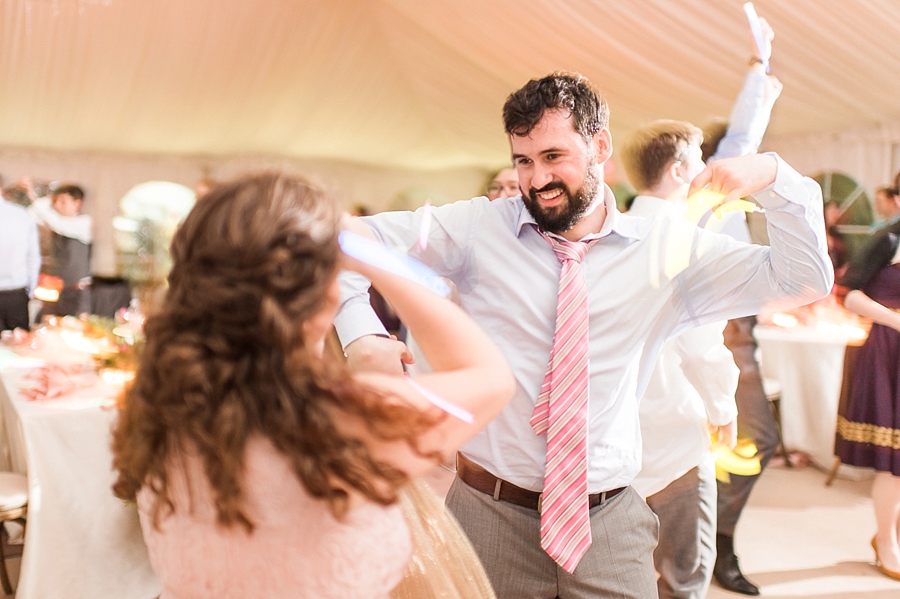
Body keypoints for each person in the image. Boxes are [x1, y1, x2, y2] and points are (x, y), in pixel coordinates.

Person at [335, 71, 833, 598]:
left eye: (553, 157)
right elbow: (341, 236)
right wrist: (360, 333)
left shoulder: (667, 250)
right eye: (523, 161)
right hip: (487, 516)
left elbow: (803, 279)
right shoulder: (478, 228)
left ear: (600, 145)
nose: (536, 179)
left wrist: (776, 176)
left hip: (609, 523)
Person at [110, 173, 514, 599]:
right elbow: (490, 378)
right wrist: (374, 256)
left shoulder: (159, 405)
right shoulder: (340, 423)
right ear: (324, 298)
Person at [622, 120, 739, 599]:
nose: (705, 171)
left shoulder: (599, 238)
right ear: (676, 171)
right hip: (674, 438)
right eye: (697, 161)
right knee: (685, 577)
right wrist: (724, 412)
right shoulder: (688, 242)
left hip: (610, 444)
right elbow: (702, 347)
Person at [696, 16, 785, 595]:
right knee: (743, 437)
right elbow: (745, 136)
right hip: (721, 333)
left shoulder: (723, 202)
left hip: (740, 329)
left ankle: (712, 545)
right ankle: (710, 548)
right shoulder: (709, 190)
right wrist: (760, 66)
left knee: (741, 442)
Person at [834, 213, 900, 581]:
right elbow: (850, 295)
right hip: (889, 350)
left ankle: (889, 535)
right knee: (893, 463)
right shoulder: (888, 240)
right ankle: (887, 542)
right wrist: (895, 321)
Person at [26, 182, 93, 316]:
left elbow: (57, 224)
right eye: (55, 202)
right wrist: (46, 198)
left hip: (78, 292)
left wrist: (36, 197)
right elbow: (32, 213)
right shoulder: (56, 222)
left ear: (77, 203)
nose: (57, 206)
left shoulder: (85, 222)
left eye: (63, 202)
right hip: (55, 289)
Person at [0, 173, 41, 331]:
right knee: (19, 350)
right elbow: (33, 258)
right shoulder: (22, 216)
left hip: (16, 291)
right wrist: (30, 290)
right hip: (16, 294)